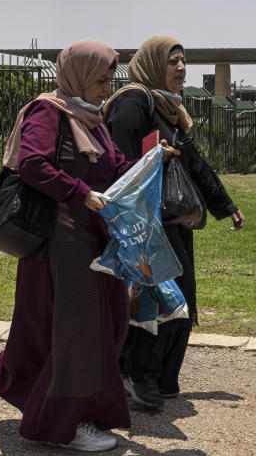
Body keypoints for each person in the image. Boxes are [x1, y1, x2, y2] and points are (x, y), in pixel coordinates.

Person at [0, 39, 136, 451]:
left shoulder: (92, 118)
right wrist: (79, 191)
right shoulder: (48, 111)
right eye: (100, 79)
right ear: (79, 75)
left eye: (109, 79)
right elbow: (32, 163)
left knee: (108, 323)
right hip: (62, 240)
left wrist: (152, 164)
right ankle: (60, 426)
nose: (106, 86)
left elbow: (115, 165)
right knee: (77, 330)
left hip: (93, 238)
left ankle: (84, 411)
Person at [103, 35, 244, 410]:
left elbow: (193, 163)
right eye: (172, 61)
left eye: (184, 61)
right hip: (145, 222)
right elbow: (116, 162)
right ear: (152, 63)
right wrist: (153, 162)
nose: (181, 68)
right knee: (162, 299)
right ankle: (136, 372)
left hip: (172, 219)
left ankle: (162, 377)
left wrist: (225, 204)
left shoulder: (172, 112)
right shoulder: (134, 102)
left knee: (184, 299)